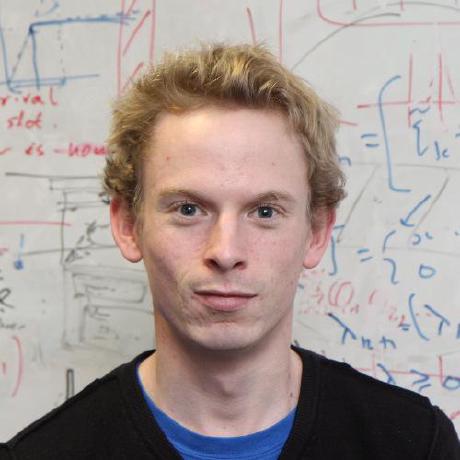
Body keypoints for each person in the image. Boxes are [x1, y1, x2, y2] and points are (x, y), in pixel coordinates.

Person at [1, 43, 459, 460]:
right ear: (127, 225)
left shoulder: (417, 444)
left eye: (264, 211)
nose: (225, 251)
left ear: (317, 231)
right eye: (188, 209)